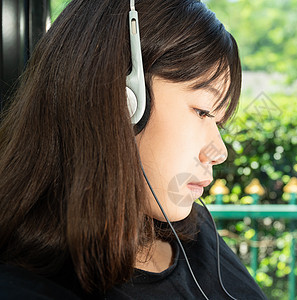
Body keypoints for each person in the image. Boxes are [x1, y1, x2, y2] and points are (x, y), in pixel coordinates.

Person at [0, 0, 268, 299]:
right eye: (204, 111)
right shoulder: (26, 286)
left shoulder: (195, 232)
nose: (219, 151)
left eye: (219, 122)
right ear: (126, 100)